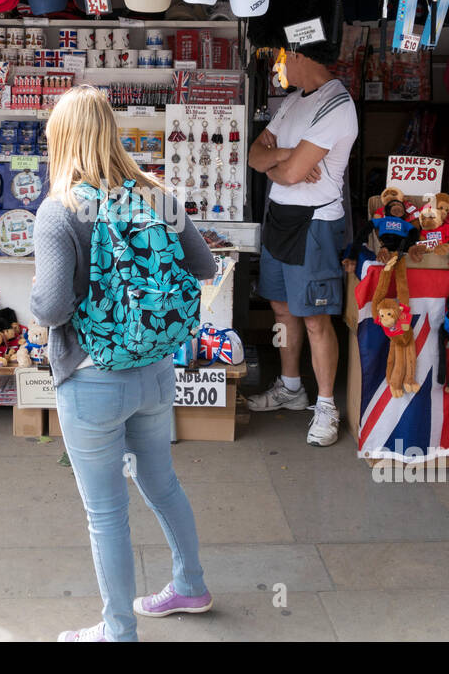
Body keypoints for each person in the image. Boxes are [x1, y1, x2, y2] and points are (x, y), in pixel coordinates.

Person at [31, 85, 218, 642]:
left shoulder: (59, 210)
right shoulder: (156, 194)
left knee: (106, 512)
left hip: (92, 381)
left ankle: (118, 630)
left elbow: (54, 306)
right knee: (161, 482)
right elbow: (204, 266)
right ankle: (190, 584)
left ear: (61, 140)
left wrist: (38, 292)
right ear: (111, 132)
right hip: (157, 371)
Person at [246, 49, 359, 447]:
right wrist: (281, 156)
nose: (277, 68)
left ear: (299, 55)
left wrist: (281, 165)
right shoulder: (293, 101)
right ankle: (291, 387)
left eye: (280, 58)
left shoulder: (337, 104)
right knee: (281, 307)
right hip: (279, 215)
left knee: (314, 317)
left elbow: (292, 173)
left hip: (315, 222)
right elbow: (254, 155)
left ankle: (326, 405)